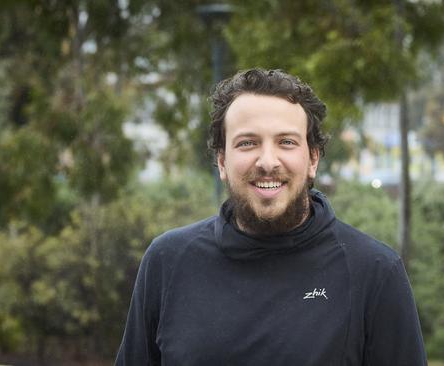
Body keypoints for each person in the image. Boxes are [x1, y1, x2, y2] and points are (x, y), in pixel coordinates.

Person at [115, 68, 427, 365]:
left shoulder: (374, 273)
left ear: (312, 159)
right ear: (222, 160)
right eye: (247, 143)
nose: (267, 161)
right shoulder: (168, 261)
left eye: (286, 142)